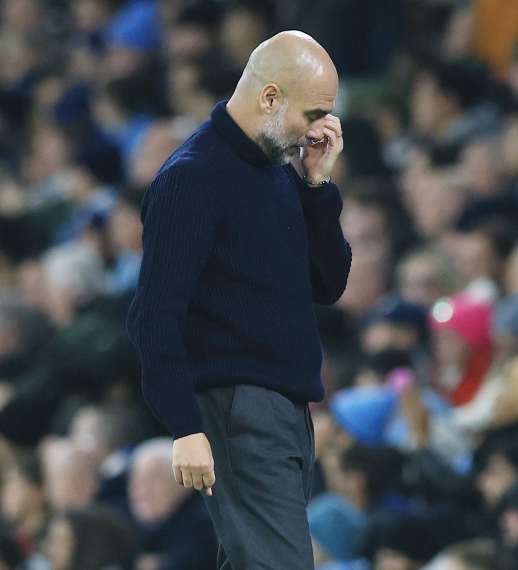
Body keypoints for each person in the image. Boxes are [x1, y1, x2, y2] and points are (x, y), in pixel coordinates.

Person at [127, 30, 351, 569]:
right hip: (240, 411)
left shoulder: (278, 171)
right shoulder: (192, 178)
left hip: (285, 410)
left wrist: (317, 187)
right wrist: (185, 425)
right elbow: (153, 315)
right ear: (270, 97)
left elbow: (328, 284)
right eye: (313, 114)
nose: (319, 130)